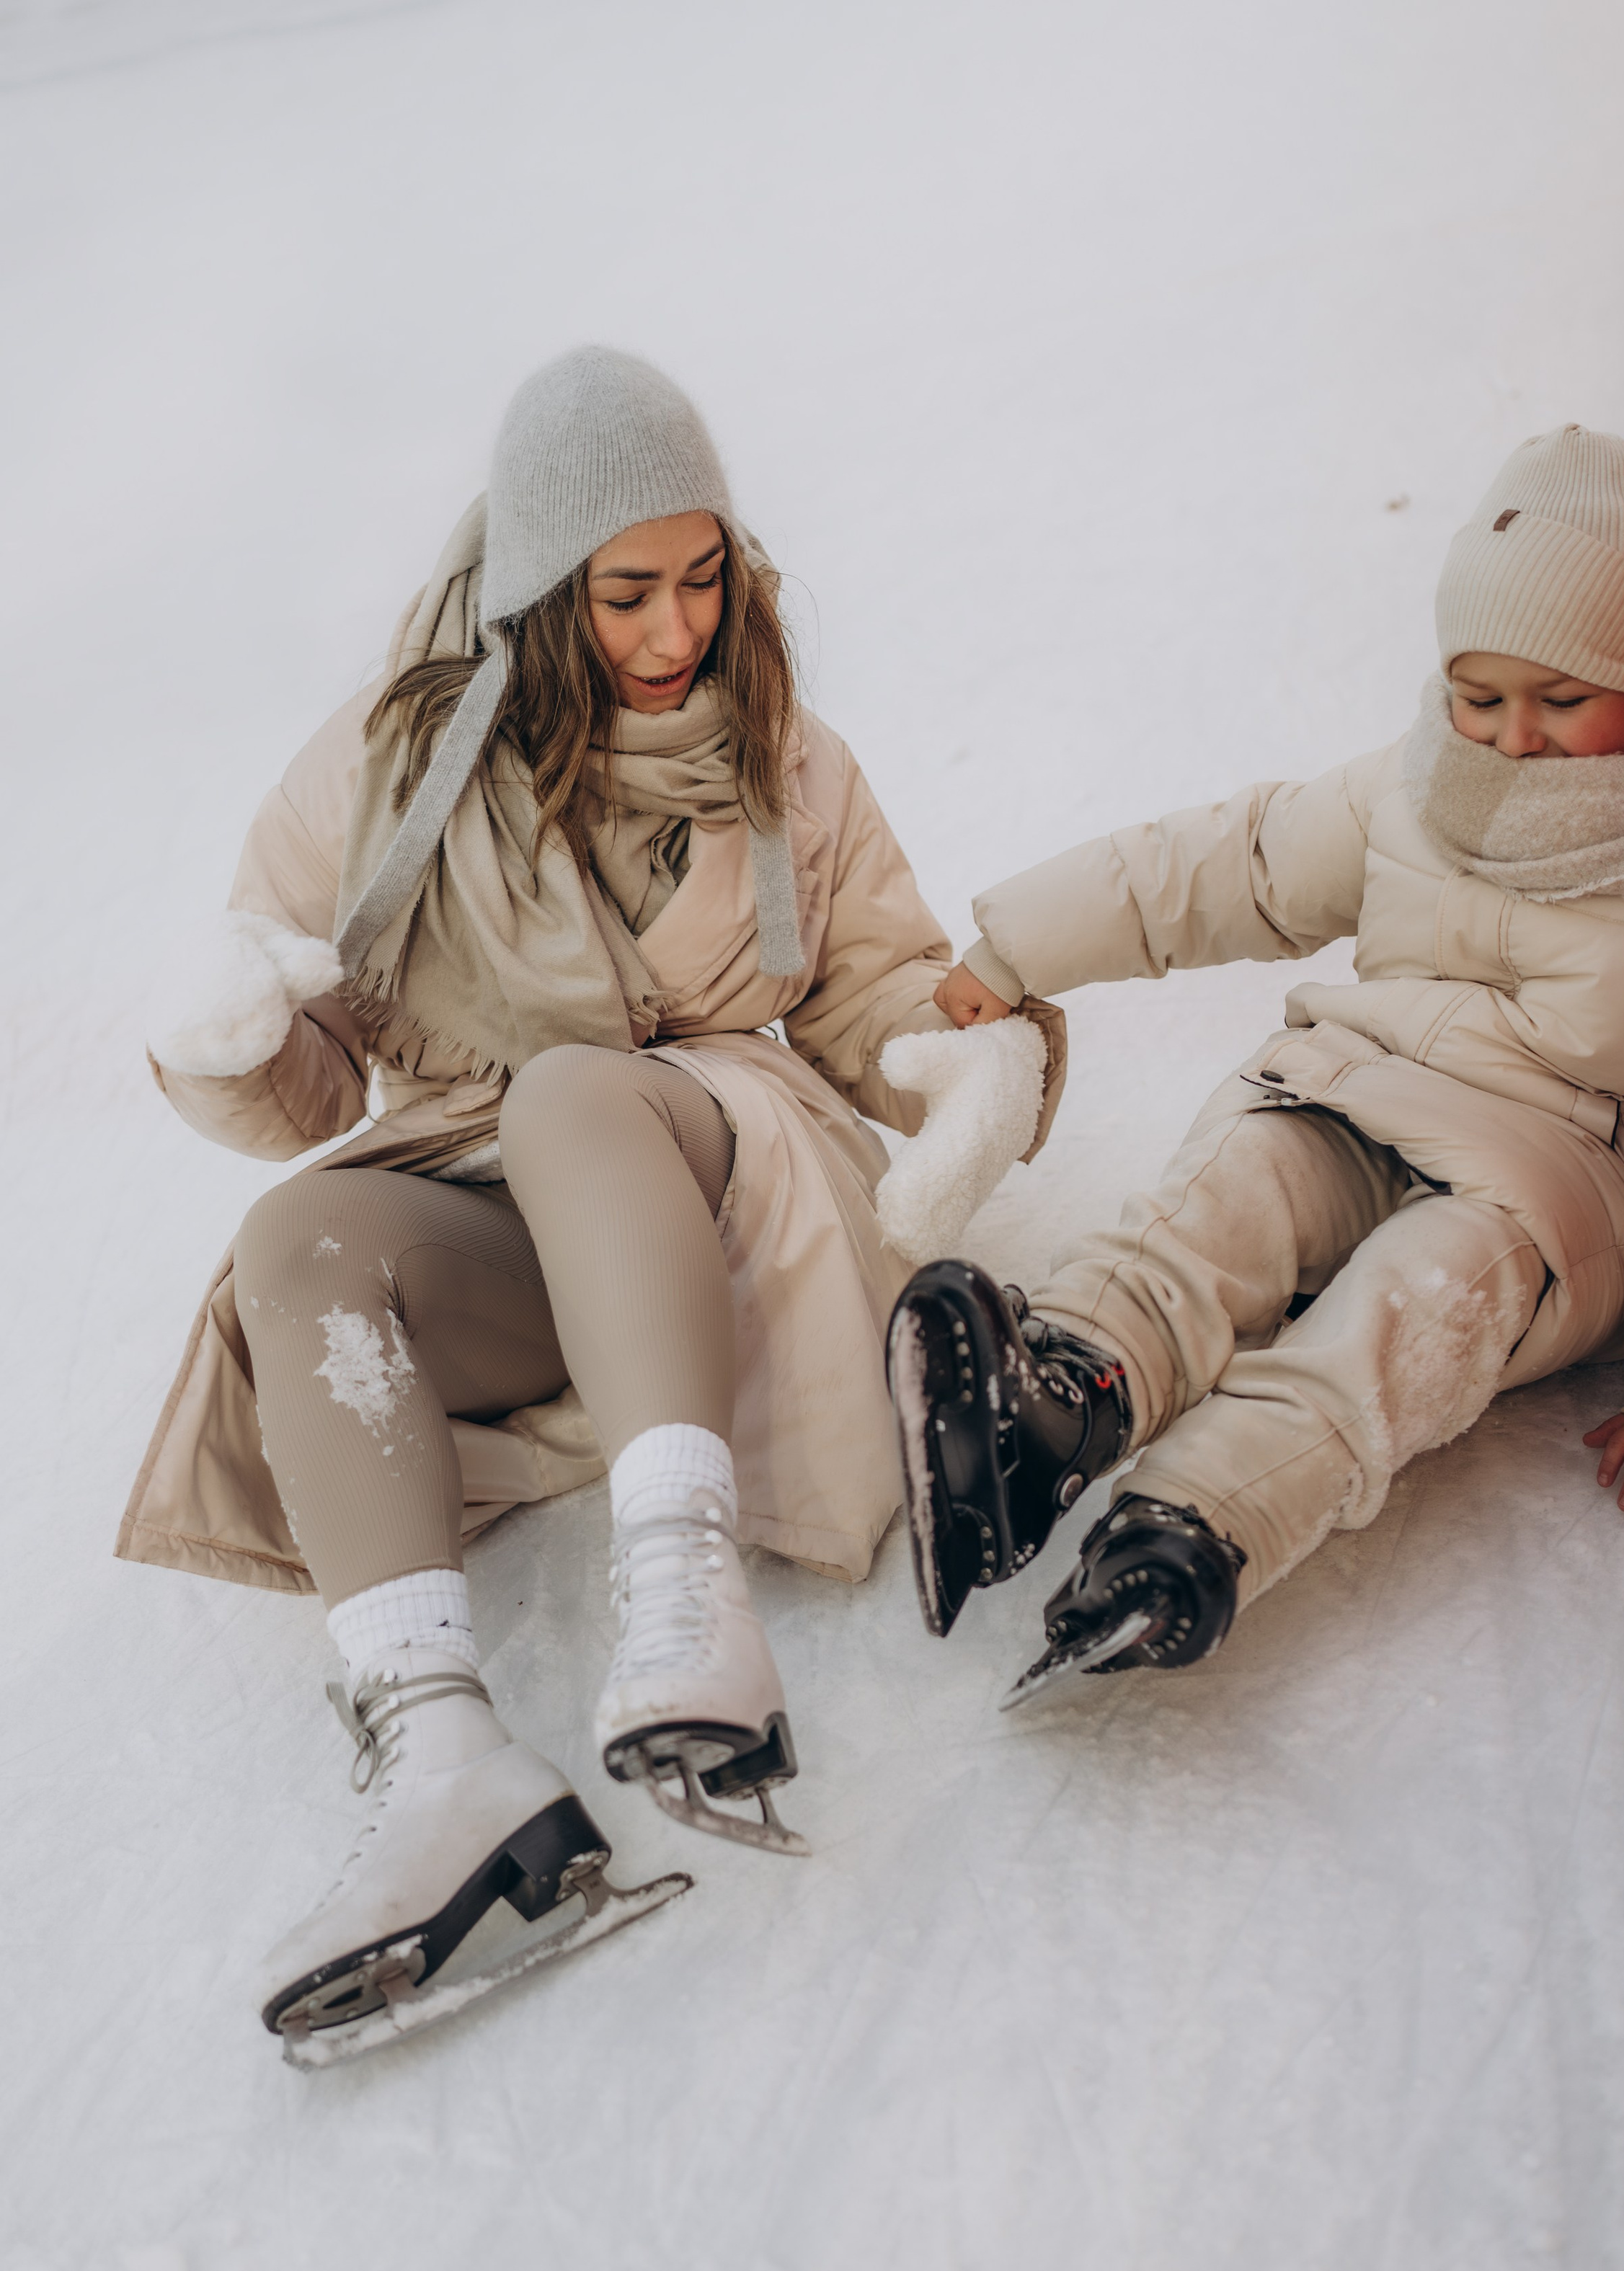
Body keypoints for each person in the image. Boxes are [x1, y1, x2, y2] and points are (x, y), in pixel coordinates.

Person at [123, 347, 1059, 2056]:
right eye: (625, 592)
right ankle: (441, 1759)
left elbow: (869, 993)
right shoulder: (388, 762)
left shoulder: (786, 756)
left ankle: (683, 1598)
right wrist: (235, 1042)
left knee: (574, 1089)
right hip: (509, 1209)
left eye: (703, 579)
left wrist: (953, 1061)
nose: (672, 631)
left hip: (712, 1176)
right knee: (300, 1241)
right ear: (540, 586)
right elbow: (319, 1077)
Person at [889, 425, 1624, 1705]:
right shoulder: (1421, 785)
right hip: (1360, 1096)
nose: (1512, 740)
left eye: (1564, 701)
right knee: (1237, 1189)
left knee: (1416, 1297)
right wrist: (1019, 949)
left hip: (1559, 1193)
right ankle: (1058, 1399)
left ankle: (1192, 1530)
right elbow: (1234, 861)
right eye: (1478, 695)